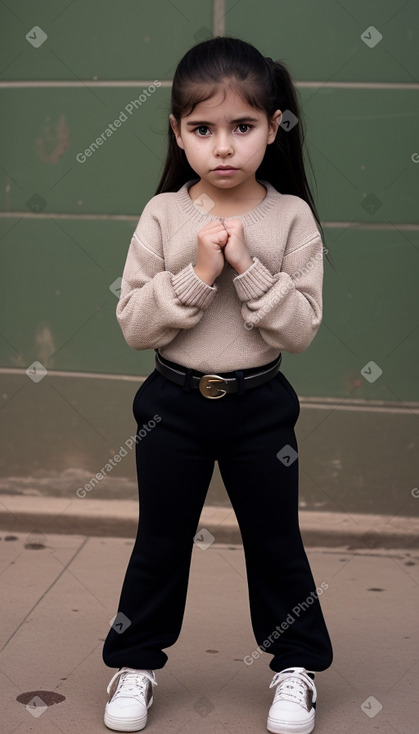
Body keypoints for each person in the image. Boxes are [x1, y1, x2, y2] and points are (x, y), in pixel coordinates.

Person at [102, 35, 333, 734]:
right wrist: (199, 274)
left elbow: (298, 330)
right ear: (177, 131)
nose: (223, 147)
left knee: (274, 540)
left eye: (242, 127)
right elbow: (135, 325)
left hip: (259, 409)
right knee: (160, 540)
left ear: (272, 127)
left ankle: (295, 669)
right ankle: (134, 662)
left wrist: (249, 267)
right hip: (170, 406)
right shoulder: (163, 216)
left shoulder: (290, 218)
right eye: (202, 129)